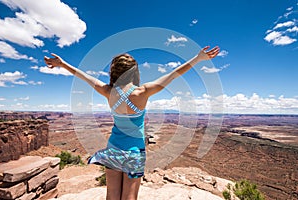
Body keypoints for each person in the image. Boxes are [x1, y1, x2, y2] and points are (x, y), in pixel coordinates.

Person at [44, 45, 220, 200]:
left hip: (113, 148)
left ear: (114, 73)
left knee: (112, 195)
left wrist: (62, 64)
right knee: (130, 197)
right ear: (134, 73)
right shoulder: (143, 92)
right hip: (134, 152)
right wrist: (198, 58)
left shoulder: (108, 91)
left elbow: (84, 77)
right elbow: (173, 75)